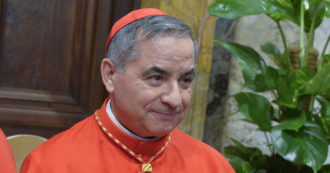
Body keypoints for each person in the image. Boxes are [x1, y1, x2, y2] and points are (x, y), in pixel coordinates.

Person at [20, 8, 235, 173]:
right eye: (156, 78)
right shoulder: (51, 164)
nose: (175, 99)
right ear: (110, 75)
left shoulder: (213, 165)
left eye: (185, 80)